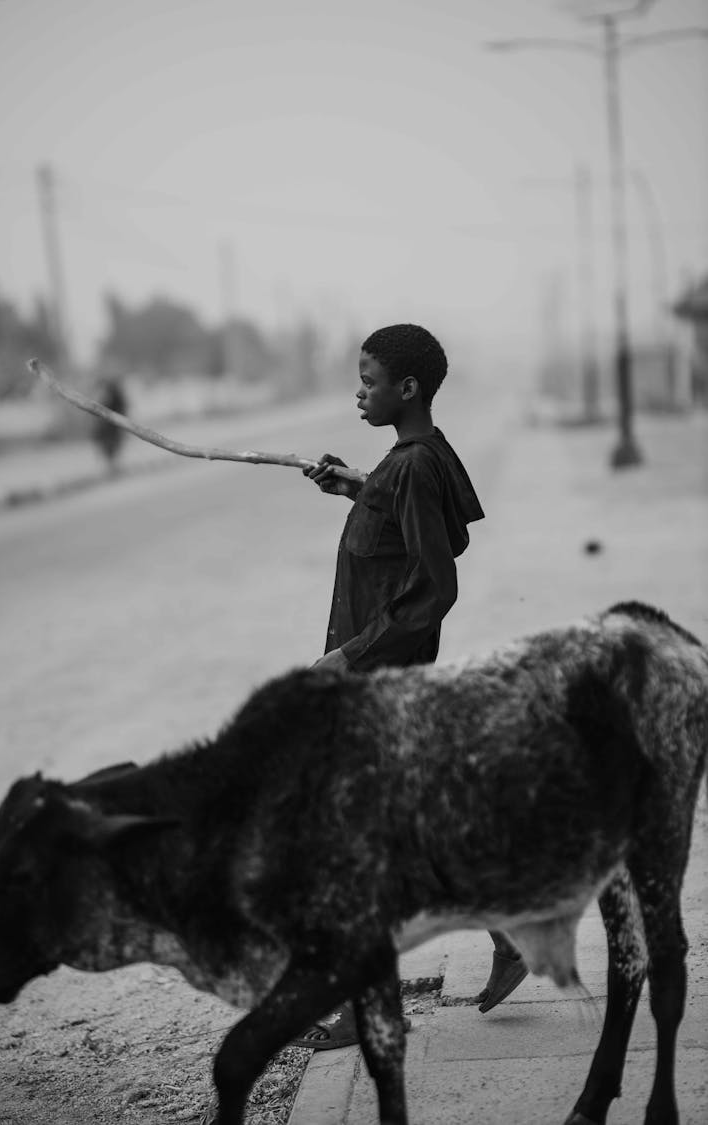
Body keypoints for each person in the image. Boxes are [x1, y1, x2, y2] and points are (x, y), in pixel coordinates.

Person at [293, 323, 527, 1050]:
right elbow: (437, 530)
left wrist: (350, 657)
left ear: (408, 388)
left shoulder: (419, 464)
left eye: (368, 378)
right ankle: (512, 932)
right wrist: (358, 488)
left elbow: (435, 579)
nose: (357, 390)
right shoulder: (408, 462)